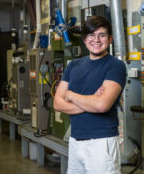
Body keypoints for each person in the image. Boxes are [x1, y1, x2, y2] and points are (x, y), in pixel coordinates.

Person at [54, 15, 127, 174]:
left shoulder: (116, 66)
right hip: (75, 141)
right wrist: (91, 101)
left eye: (102, 35)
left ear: (110, 39)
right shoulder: (74, 65)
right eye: (91, 35)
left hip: (101, 143)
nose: (96, 40)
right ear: (84, 39)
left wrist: (72, 95)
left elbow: (102, 105)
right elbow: (57, 104)